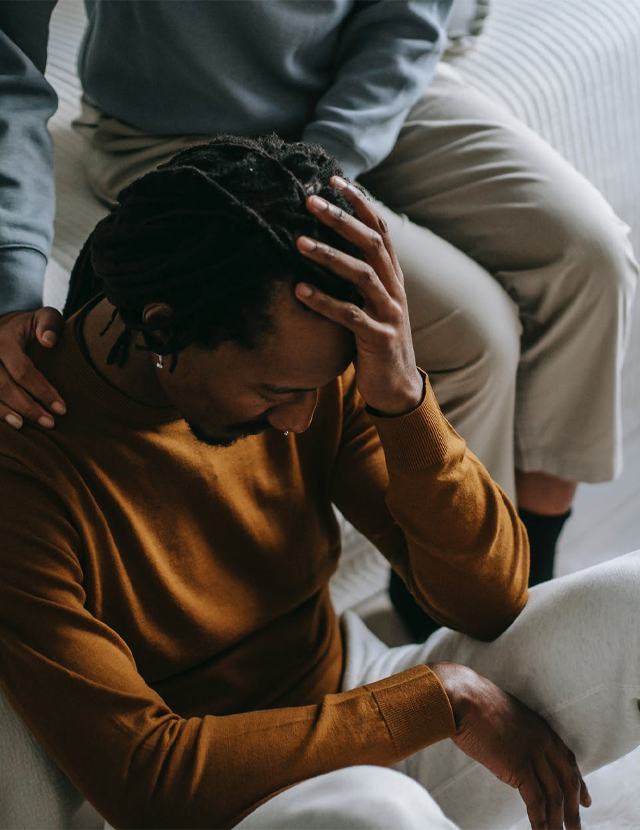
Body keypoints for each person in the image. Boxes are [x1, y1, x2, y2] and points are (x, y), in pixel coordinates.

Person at [1, 135, 640, 830]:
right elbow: (145, 780)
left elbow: (491, 599)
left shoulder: (314, 371)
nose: (301, 419)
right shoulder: (25, 470)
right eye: (275, 391)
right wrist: (438, 702)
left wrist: (403, 397)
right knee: (379, 813)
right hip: (214, 795)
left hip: (351, 699)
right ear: (164, 329)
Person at [0, 2, 637, 637]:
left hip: (369, 86)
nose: (303, 416)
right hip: (183, 127)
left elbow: (412, 16)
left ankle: (530, 576)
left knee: (593, 258)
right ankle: (439, 617)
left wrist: (320, 168)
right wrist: (13, 277)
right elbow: (10, 58)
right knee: (478, 336)